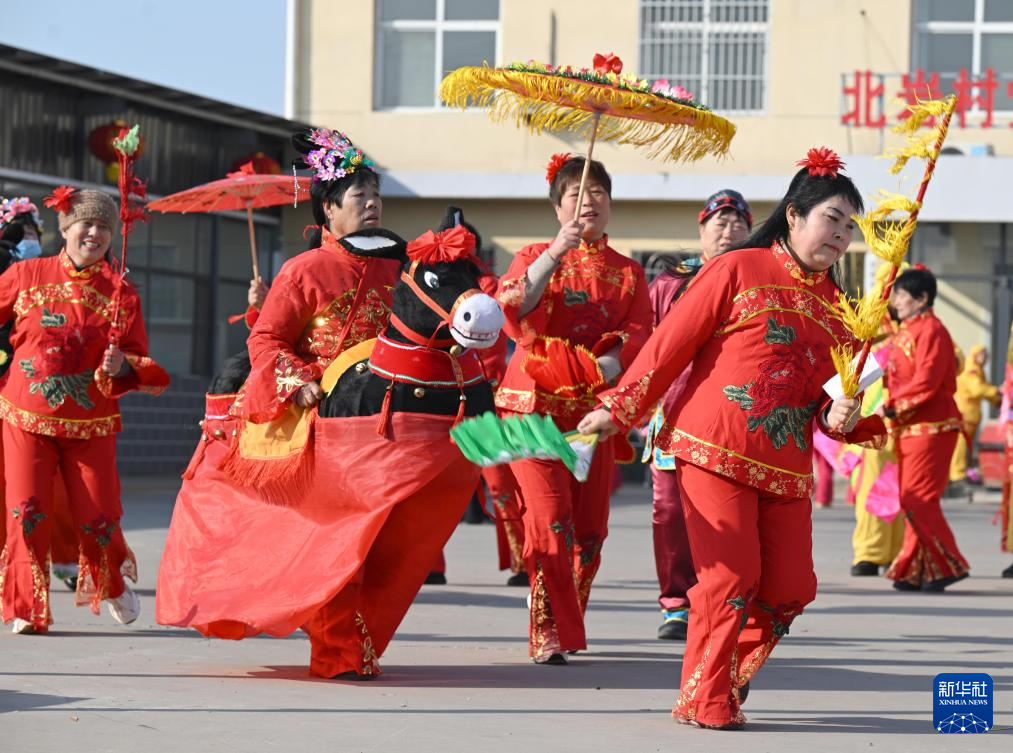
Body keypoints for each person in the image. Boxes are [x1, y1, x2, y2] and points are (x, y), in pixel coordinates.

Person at [578, 147, 885, 729]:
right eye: (832, 219)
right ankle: (708, 696)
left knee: (792, 587)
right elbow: (670, 345)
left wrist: (842, 413)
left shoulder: (842, 311)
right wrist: (620, 408)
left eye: (850, 227)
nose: (842, 235)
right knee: (729, 578)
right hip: (713, 447)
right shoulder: (736, 268)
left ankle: (717, 678)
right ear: (793, 215)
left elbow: (827, 409)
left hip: (785, 466)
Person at [495, 153, 652, 664]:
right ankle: (547, 629)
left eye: (599, 193)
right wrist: (554, 254)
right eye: (576, 195)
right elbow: (513, 308)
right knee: (551, 518)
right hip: (531, 409)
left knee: (589, 530)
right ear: (557, 207)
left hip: (590, 415)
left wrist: (611, 363)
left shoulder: (628, 272)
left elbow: (639, 331)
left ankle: (567, 618)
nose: (589, 202)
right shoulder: (533, 255)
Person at [0, 187, 169, 634]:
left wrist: (121, 364)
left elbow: (140, 355)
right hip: (25, 415)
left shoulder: (121, 293)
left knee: (98, 516)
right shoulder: (25, 274)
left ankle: (111, 583)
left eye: (103, 227)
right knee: (26, 511)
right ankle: (26, 606)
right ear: (66, 228)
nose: (93, 233)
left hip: (90, 421)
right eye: (85, 224)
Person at [647, 189, 752, 641]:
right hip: (676, 414)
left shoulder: (759, 279)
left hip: (735, 420)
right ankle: (676, 604)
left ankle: (726, 602)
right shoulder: (671, 283)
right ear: (702, 228)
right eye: (720, 222)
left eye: (738, 222)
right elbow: (648, 347)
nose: (729, 230)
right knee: (671, 513)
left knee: (732, 518)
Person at [882, 266, 969, 592]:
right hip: (911, 428)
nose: (895, 301)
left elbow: (927, 382)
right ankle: (913, 570)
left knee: (918, 499)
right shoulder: (907, 331)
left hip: (931, 427)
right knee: (912, 499)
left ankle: (949, 564)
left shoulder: (932, 330)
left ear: (921, 299)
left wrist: (892, 405)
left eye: (901, 295)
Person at [949, 344, 1000, 491]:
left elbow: (984, 389)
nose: (984, 358)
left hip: (970, 417)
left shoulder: (978, 370)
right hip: (964, 414)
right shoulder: (972, 370)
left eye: (985, 355)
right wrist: (996, 392)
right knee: (959, 447)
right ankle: (956, 477)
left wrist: (997, 399)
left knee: (965, 448)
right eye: (982, 355)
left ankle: (962, 474)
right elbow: (977, 389)